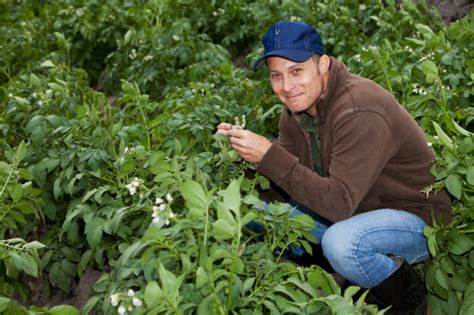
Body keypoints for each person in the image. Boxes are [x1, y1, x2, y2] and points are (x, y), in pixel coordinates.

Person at [216, 21, 452, 313]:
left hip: (417, 219)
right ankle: (349, 280)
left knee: (343, 243)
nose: (287, 86)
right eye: (276, 75)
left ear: (323, 64)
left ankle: (412, 302)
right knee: (254, 211)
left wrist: (268, 155)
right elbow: (283, 185)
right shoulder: (295, 113)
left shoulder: (358, 108)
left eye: (296, 71)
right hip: (357, 210)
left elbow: (338, 203)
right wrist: (245, 159)